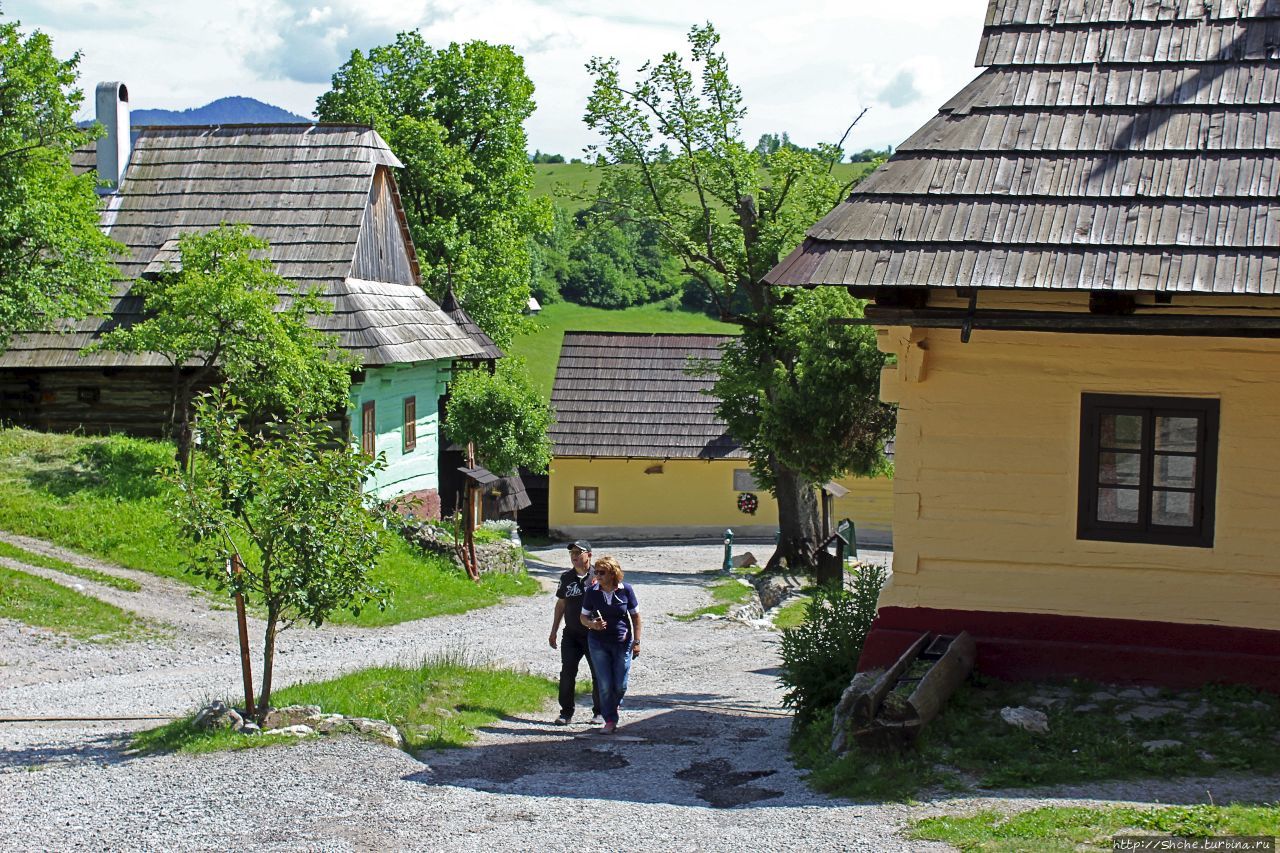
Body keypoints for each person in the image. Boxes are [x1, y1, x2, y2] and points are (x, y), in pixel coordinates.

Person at [580, 555, 641, 735]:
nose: (597, 575)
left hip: (622, 641)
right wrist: (593, 625)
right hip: (598, 642)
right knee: (605, 684)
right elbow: (583, 617)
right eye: (596, 572)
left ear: (613, 574)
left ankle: (614, 705)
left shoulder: (626, 590)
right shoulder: (592, 592)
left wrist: (637, 642)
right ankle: (610, 720)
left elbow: (636, 618)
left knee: (620, 684)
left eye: (602, 572)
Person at [549, 539, 602, 726]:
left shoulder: (600, 575)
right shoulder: (566, 577)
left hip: (594, 634)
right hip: (571, 634)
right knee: (567, 673)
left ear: (589, 555)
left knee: (598, 673)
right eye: (572, 553)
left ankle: (599, 712)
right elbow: (561, 604)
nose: (574, 556)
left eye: (578, 552)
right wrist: (554, 630)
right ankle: (566, 712)